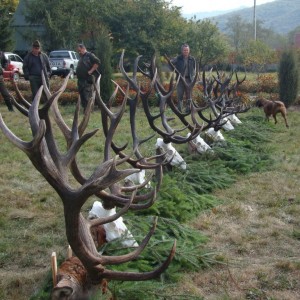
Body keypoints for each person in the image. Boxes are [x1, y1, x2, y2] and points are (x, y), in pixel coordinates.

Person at [171, 43, 196, 112]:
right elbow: (170, 63)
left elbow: (194, 69)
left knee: (189, 95)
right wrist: (174, 68)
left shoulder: (192, 59)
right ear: (182, 51)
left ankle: (188, 109)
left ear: (189, 51)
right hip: (180, 80)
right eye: (184, 50)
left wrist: (194, 77)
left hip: (189, 80)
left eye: (187, 50)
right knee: (180, 95)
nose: (186, 51)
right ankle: (179, 110)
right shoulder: (178, 58)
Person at [76, 43, 100, 111]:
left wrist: (91, 71)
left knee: (87, 96)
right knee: (82, 96)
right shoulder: (82, 57)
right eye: (78, 51)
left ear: (83, 48)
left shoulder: (90, 55)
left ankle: (88, 110)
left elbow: (97, 62)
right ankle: (85, 110)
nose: (79, 52)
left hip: (87, 80)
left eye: (80, 50)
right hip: (81, 80)